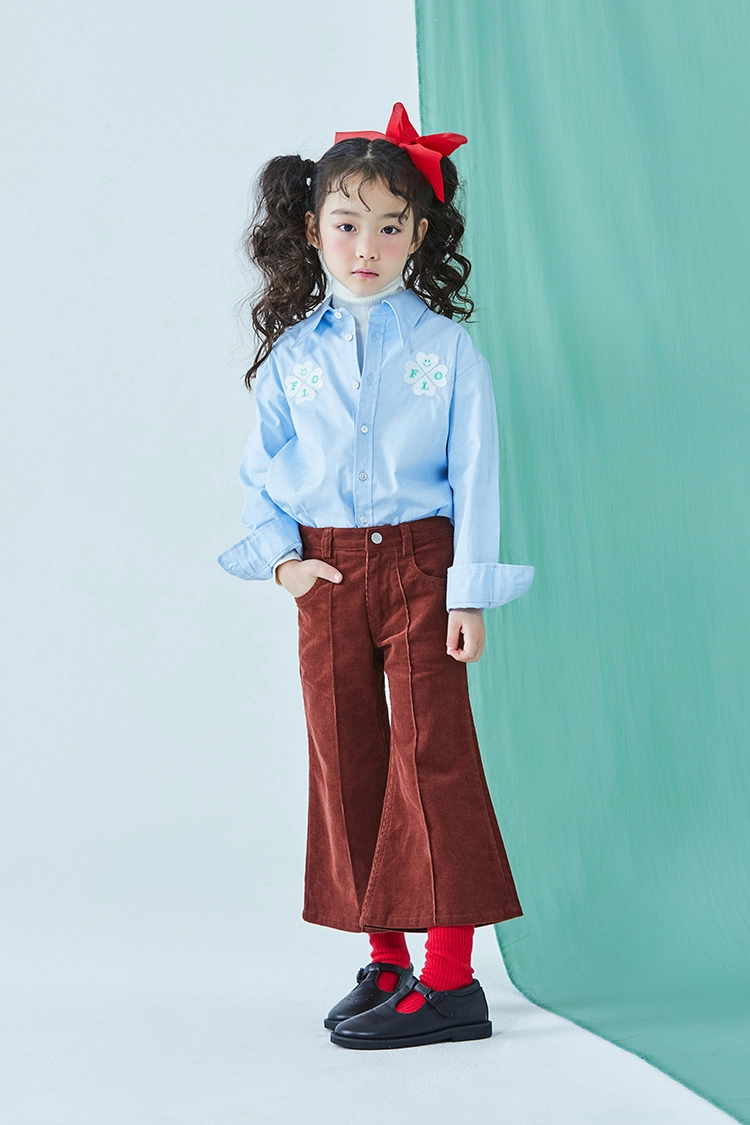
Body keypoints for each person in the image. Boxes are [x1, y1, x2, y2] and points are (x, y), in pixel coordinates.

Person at [218, 103, 535, 1051]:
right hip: (327, 572)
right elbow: (260, 472)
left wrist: (467, 592)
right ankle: (388, 958)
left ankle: (451, 979)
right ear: (312, 227)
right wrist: (286, 563)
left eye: (392, 226)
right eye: (348, 223)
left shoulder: (447, 350)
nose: (368, 247)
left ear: (419, 237)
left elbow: (476, 471)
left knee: (432, 759)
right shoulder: (293, 357)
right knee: (346, 755)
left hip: (424, 566)